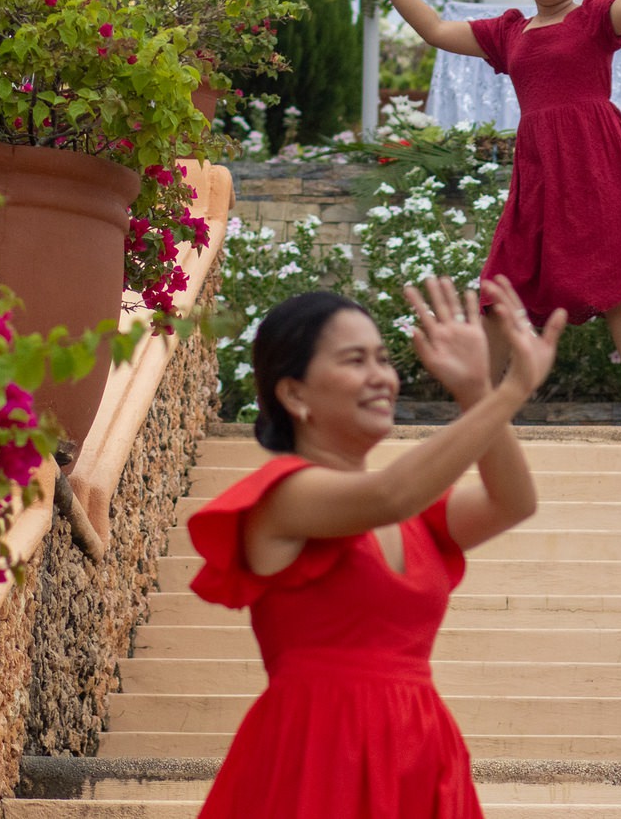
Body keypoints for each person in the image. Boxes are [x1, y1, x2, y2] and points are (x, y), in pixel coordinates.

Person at [188, 274, 563, 818]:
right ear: (295, 394)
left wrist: (477, 393)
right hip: (318, 756)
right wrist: (510, 393)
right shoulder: (285, 496)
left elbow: (512, 503)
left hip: (419, 750)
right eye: (355, 360)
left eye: (384, 360)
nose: (381, 376)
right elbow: (390, 494)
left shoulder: (414, 516)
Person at [349, 0, 621, 426]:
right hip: (540, 173)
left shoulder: (595, 16)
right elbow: (436, 30)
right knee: (501, 289)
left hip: (598, 165)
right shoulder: (510, 32)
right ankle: (482, 412)